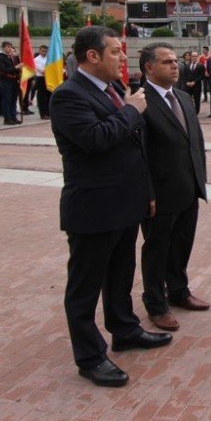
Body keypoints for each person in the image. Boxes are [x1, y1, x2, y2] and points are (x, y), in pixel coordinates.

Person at [49, 26, 171, 388]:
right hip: (93, 207)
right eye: (116, 52)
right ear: (92, 56)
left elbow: (135, 148)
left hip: (126, 202)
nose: (122, 58)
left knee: (120, 274)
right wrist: (133, 110)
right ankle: (90, 357)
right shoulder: (68, 96)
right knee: (84, 288)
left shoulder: (114, 90)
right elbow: (95, 139)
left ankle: (125, 329)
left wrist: (146, 191)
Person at [137, 43, 210, 332]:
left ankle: (179, 291)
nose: (174, 65)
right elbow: (138, 154)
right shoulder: (140, 102)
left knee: (181, 244)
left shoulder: (182, 97)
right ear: (149, 68)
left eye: (175, 60)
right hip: (159, 194)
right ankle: (156, 304)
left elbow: (196, 142)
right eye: (166, 62)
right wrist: (147, 194)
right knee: (157, 249)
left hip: (187, 187)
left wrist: (199, 181)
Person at [0, 41, 21, 125]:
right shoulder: (0, 58)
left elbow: (18, 69)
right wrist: (16, 67)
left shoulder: (14, 57)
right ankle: (7, 118)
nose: (10, 49)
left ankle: (13, 116)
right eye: (8, 47)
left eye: (11, 47)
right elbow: (3, 70)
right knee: (7, 99)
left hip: (14, 80)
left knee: (14, 99)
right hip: (6, 80)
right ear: (3, 48)